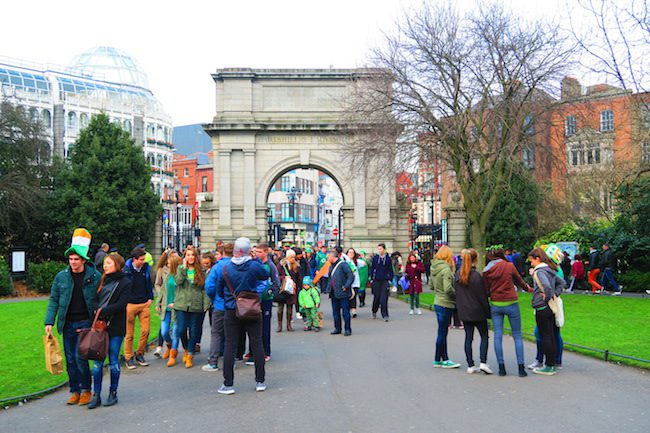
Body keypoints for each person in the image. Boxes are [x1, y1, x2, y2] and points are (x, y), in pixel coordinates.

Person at [44, 228, 101, 406]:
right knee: (70, 359)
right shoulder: (61, 277)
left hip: (85, 322)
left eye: (76, 259)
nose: (73, 262)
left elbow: (101, 299)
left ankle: (86, 389)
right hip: (67, 323)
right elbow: (54, 299)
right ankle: (74, 390)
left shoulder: (94, 276)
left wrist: (100, 320)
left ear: (83, 260)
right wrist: (49, 321)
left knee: (80, 358)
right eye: (71, 259)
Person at [216, 237, 270, 395]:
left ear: (234, 251)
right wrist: (256, 259)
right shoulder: (254, 266)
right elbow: (265, 276)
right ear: (249, 251)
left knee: (230, 346)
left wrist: (230, 299)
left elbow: (219, 290)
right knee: (257, 343)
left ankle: (228, 384)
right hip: (251, 308)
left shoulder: (225, 268)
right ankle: (260, 381)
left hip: (232, 309)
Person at [88, 253, 132, 409]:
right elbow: (93, 299)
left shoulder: (125, 282)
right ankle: (96, 394)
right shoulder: (102, 279)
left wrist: (102, 311)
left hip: (115, 326)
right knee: (97, 362)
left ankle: (113, 392)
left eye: (108, 263)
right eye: (105, 263)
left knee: (113, 361)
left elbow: (122, 304)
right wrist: (96, 310)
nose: (105, 266)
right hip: (100, 326)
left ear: (117, 265)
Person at [482, 246, 532, 377]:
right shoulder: (509, 266)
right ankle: (521, 368)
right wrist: (528, 289)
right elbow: (519, 281)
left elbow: (486, 290)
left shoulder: (486, 270)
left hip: (496, 303)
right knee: (517, 335)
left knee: (498, 335)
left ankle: (501, 368)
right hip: (511, 302)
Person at [454, 249, 492, 375]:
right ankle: (483, 362)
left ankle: (470, 364)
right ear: (475, 260)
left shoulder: (458, 275)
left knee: (468, 338)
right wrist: (488, 312)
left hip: (465, 311)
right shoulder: (476, 276)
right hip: (478, 311)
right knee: (484, 336)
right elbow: (482, 297)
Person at [172, 246, 210, 368]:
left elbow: (205, 289)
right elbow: (177, 282)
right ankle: (186, 348)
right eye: (188, 255)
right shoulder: (180, 268)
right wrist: (183, 269)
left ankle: (190, 354)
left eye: (192, 255)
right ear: (185, 257)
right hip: (182, 304)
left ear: (196, 257)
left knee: (194, 330)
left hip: (196, 304)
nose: (190, 257)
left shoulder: (202, 270)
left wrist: (206, 303)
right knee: (181, 329)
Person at [528, 248, 563, 376]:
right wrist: (555, 294)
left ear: (537, 259)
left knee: (546, 336)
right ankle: (552, 363)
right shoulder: (550, 269)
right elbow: (561, 283)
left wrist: (547, 296)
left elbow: (547, 286)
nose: (531, 264)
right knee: (552, 335)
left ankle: (549, 366)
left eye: (531, 261)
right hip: (551, 307)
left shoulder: (539, 271)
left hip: (542, 307)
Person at [430, 245, 461, 369]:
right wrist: (457, 296)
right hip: (446, 303)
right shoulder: (446, 270)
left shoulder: (434, 268)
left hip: (438, 301)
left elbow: (431, 285)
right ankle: (444, 359)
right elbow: (448, 288)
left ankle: (438, 359)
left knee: (441, 332)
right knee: (442, 333)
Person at [123, 247, 154, 369]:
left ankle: (140, 353)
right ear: (134, 259)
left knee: (145, 331)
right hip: (130, 304)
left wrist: (150, 298)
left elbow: (149, 283)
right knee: (129, 334)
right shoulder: (126, 270)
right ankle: (128, 357)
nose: (143, 261)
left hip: (144, 303)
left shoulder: (145, 268)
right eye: (141, 259)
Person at [203, 244, 232, 371]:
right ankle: (230, 361)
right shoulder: (236, 265)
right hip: (233, 304)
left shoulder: (217, 267)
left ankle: (213, 361)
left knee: (216, 333)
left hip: (220, 304)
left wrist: (214, 297)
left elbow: (209, 286)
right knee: (231, 334)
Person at [255, 243, 280, 360]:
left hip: (266, 300)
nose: (257, 254)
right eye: (256, 252)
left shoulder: (270, 265)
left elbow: (276, 282)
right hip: (255, 299)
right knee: (254, 326)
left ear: (265, 252)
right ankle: (254, 350)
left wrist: (270, 293)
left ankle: (266, 351)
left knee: (265, 326)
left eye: (259, 252)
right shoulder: (255, 264)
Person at [158, 253, 181, 365]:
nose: (167, 266)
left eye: (169, 264)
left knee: (176, 331)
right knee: (164, 331)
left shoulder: (181, 276)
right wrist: (158, 303)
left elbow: (184, 293)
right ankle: (170, 346)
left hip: (177, 308)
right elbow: (162, 289)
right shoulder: (168, 275)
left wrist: (176, 303)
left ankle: (173, 354)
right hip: (166, 307)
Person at [328, 248, 355, 336]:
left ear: (332, 256)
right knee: (335, 312)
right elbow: (330, 278)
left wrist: (346, 286)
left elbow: (351, 276)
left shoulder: (343, 265)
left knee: (345, 312)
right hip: (334, 292)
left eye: (329, 256)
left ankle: (347, 329)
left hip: (343, 292)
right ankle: (337, 328)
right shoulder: (331, 266)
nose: (327, 258)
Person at [276, 249, 301, 332]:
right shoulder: (281, 265)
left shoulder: (296, 266)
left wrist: (299, 287)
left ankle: (288, 324)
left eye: (294, 257)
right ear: (287, 257)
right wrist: (284, 277)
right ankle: (279, 325)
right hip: (283, 288)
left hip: (292, 289)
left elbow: (298, 278)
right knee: (280, 308)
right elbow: (277, 276)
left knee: (290, 308)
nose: (293, 259)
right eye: (291, 257)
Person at [152, 249, 171, 358]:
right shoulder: (161, 270)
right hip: (165, 302)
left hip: (177, 302)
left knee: (180, 328)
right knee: (164, 327)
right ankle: (164, 346)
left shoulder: (179, 270)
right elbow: (157, 284)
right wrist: (161, 295)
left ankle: (175, 349)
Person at [370, 243, 393, 321]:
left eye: (380, 249)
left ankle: (385, 315)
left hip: (385, 280)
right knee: (377, 298)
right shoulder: (375, 258)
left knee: (384, 299)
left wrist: (390, 279)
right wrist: (371, 278)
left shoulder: (388, 258)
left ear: (384, 249)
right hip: (376, 280)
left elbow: (390, 269)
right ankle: (374, 311)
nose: (379, 250)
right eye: (378, 249)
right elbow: (372, 268)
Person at [343, 248, 361, 318]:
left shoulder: (357, 261)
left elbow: (364, 264)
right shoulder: (344, 262)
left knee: (354, 296)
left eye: (352, 253)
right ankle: (347, 310)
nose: (351, 254)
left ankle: (353, 310)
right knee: (347, 297)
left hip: (355, 282)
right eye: (349, 252)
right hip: (347, 282)